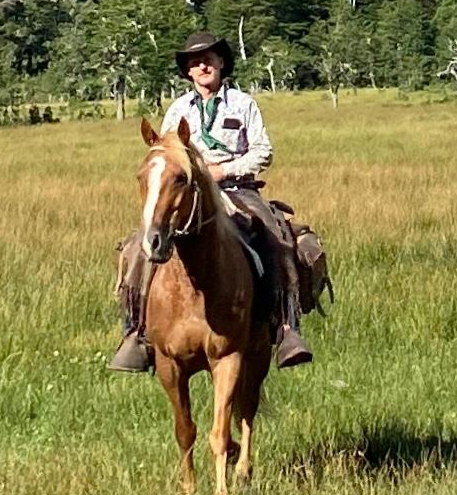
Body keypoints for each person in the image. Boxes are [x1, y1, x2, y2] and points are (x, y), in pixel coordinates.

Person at [112, 30, 315, 372]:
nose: (202, 65)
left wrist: (224, 170)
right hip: (188, 193)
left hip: (238, 190)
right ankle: (137, 331)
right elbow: (165, 151)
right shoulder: (178, 109)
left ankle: (285, 326)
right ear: (188, 72)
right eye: (195, 61)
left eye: (208, 58)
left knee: (274, 234)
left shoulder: (243, 104)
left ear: (221, 63)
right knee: (138, 246)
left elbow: (262, 151)